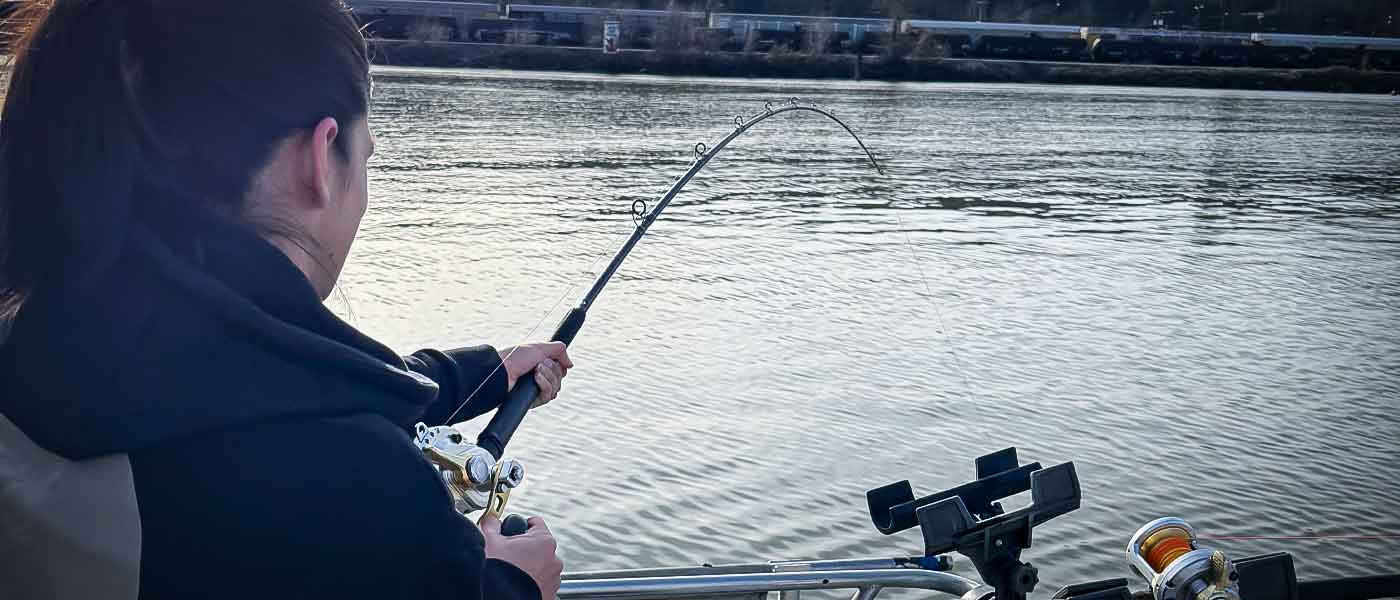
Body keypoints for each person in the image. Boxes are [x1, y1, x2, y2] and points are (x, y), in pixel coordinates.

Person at [0, 1, 570, 599]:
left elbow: (253, 382)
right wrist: (509, 585)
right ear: (321, 158)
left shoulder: (38, 349)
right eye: (365, 155)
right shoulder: (368, 493)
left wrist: (484, 375)